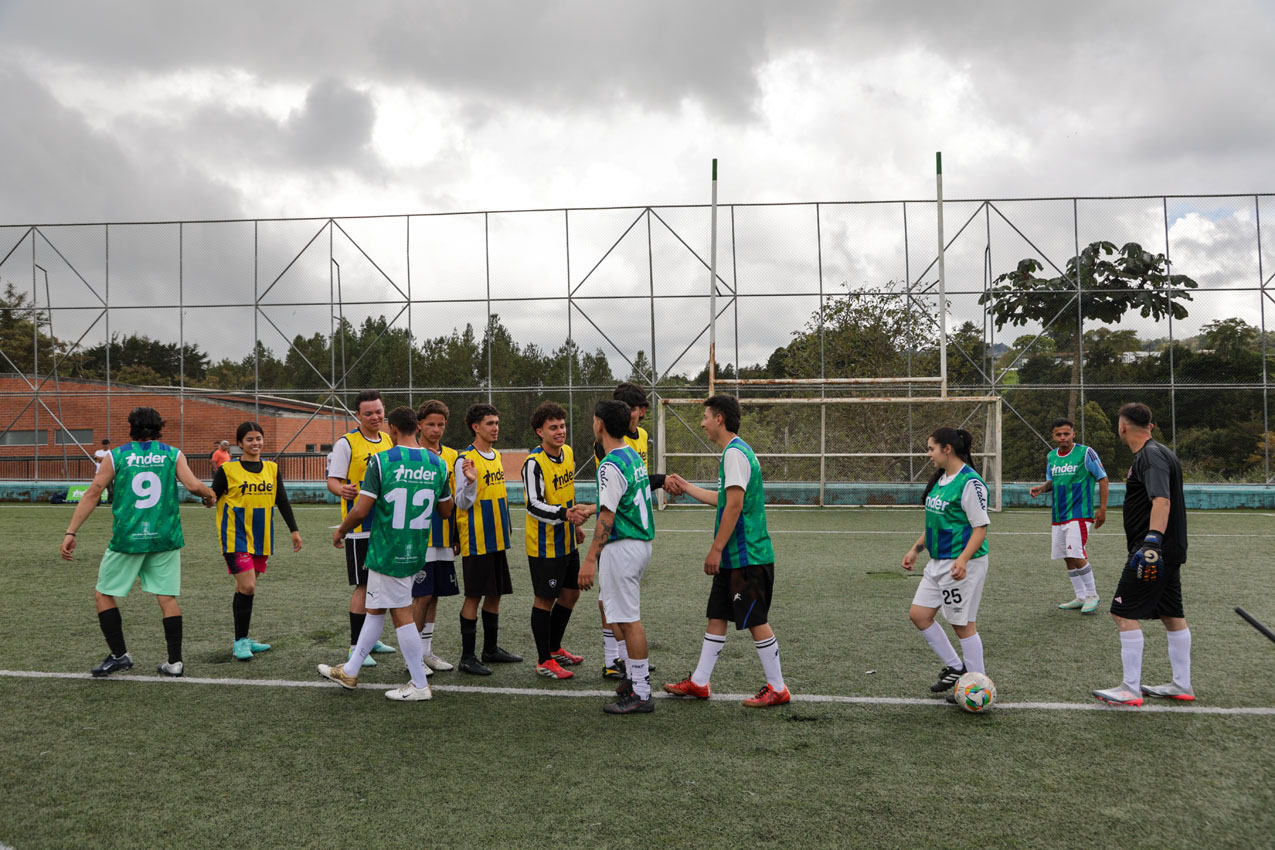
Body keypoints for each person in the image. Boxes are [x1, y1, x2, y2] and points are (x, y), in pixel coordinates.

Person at [59, 406, 215, 677]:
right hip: (164, 537)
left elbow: (94, 492)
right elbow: (192, 486)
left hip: (128, 538)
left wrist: (71, 531)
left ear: (130, 427)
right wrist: (209, 494)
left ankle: (120, 656)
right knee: (166, 597)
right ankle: (174, 662)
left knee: (104, 594)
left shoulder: (116, 455)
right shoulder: (172, 454)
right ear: (159, 428)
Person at [661, 395, 791, 707]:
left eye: (706, 416)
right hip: (737, 557)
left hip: (747, 557)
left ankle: (778, 688)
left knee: (755, 619)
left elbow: (734, 505)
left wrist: (716, 549)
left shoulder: (734, 454)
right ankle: (699, 682)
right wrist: (688, 487)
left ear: (719, 418)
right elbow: (725, 497)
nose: (702, 423)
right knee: (717, 615)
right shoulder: (736, 452)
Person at [319, 406, 454, 701]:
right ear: (416, 428)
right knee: (377, 607)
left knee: (400, 612)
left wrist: (341, 530)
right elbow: (446, 510)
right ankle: (350, 670)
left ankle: (419, 684)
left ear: (392, 429)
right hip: (416, 547)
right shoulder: (438, 462)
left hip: (387, 548)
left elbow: (361, 509)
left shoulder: (381, 461)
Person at [1092, 403, 1194, 706]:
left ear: (1122, 427)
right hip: (1168, 550)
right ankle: (1181, 684)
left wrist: (1151, 543)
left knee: (1122, 612)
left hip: (1152, 550)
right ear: (1150, 425)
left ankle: (1130, 689)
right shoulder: (1159, 452)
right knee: (1171, 614)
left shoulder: (1150, 456)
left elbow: (1161, 500)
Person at [577, 399, 657, 714]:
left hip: (623, 547)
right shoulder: (632, 456)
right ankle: (632, 678)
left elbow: (608, 517)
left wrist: (589, 559)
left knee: (628, 619)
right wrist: (589, 509)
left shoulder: (610, 463)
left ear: (600, 424)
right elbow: (620, 503)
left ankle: (641, 692)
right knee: (619, 615)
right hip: (638, 544)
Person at [901, 427, 991, 703]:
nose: (928, 454)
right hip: (938, 562)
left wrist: (963, 560)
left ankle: (978, 686)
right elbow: (935, 523)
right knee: (919, 614)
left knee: (963, 625)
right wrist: (916, 549)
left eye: (931, 448)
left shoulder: (970, 483)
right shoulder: (940, 481)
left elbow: (980, 529)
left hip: (962, 564)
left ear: (947, 449)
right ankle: (956, 667)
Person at [592, 382, 667, 680]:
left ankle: (635, 679)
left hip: (625, 537)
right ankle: (618, 662)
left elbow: (614, 503)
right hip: (630, 536)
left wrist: (589, 559)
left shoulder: (624, 451)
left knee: (626, 614)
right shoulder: (618, 451)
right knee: (611, 602)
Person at [213, 421, 303, 661]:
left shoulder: (272, 468)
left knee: (245, 589)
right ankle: (241, 642)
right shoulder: (228, 470)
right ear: (240, 443)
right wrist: (206, 498)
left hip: (262, 537)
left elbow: (281, 500)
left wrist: (293, 530)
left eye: (258, 439)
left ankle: (242, 637)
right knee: (248, 586)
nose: (255, 443)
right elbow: (213, 495)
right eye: (250, 439)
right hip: (235, 535)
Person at [327, 390, 396, 668]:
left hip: (386, 524)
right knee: (364, 584)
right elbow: (332, 480)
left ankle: (370, 638)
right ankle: (356, 647)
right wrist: (340, 489)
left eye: (378, 411)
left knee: (381, 583)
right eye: (368, 413)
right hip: (361, 527)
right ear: (357, 415)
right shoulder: (346, 443)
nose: (375, 417)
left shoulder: (388, 440)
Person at [453, 402, 522, 675]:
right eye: (490, 424)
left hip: (497, 538)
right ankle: (467, 657)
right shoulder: (465, 459)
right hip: (477, 538)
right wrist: (470, 481)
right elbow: (460, 502)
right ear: (476, 427)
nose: (496, 428)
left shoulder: (497, 456)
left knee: (495, 594)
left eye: (497, 423)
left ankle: (490, 650)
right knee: (474, 596)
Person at [523, 401, 587, 679]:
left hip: (566, 539)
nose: (560, 431)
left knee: (571, 594)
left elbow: (567, 493)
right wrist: (565, 515)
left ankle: (555, 648)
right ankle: (542, 661)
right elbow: (533, 505)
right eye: (553, 428)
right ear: (540, 432)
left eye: (562, 426)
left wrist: (573, 526)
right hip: (544, 545)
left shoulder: (569, 453)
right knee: (544, 599)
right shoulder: (533, 464)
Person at [1028, 418, 1109, 613]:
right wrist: (1042, 488)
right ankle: (1080, 596)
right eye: (1058, 434)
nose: (1063, 437)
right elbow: (1051, 481)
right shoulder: (1051, 456)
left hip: (1079, 513)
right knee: (1066, 557)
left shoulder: (1085, 453)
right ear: (1053, 436)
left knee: (1076, 553)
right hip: (1059, 514)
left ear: (1073, 434)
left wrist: (1103, 508)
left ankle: (1092, 595)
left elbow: (1103, 478)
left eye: (1066, 434)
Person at [412, 399, 461, 673]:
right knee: (420, 595)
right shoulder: (410, 453)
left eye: (441, 424)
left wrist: (454, 535)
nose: (436, 429)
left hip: (442, 536)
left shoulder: (452, 456)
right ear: (419, 425)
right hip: (418, 538)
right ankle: (413, 657)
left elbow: (451, 499)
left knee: (434, 595)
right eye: (430, 424)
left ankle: (426, 652)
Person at [94, 438, 115, 503]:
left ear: (109, 444)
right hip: (99, 473)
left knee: (111, 490)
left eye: (106, 444)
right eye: (103, 444)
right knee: (98, 489)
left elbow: (110, 461)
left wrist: (100, 459)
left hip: (108, 473)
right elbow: (96, 459)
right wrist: (105, 459)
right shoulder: (98, 451)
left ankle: (110, 502)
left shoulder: (111, 452)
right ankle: (97, 502)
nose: (105, 445)